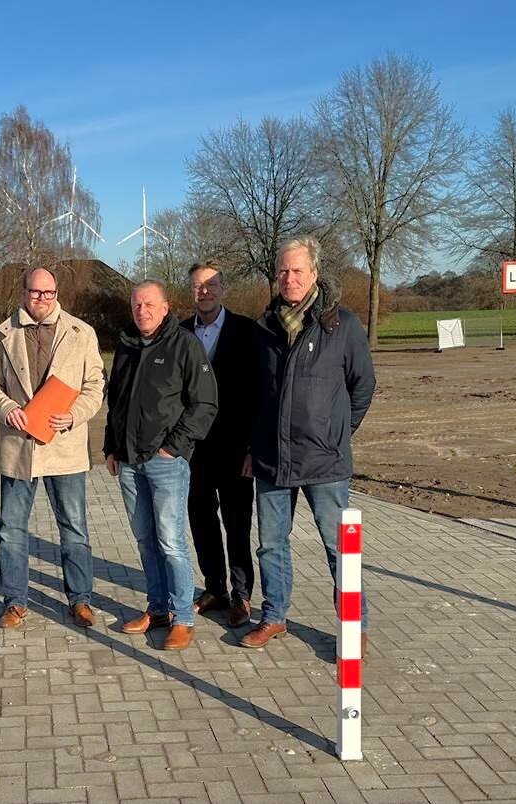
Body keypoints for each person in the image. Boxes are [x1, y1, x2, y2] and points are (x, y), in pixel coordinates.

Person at [241, 235, 376, 650]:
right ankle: (274, 616)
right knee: (270, 545)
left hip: (324, 461)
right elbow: (252, 395)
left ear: (315, 273)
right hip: (272, 459)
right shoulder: (264, 327)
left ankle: (355, 628)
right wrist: (253, 445)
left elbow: (363, 386)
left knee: (339, 547)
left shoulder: (342, 325)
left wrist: (337, 433)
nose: (290, 278)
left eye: (298, 270)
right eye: (283, 271)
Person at [0, 267, 105, 629]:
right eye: (36, 292)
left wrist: (74, 415)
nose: (42, 299)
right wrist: (6, 408)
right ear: (23, 293)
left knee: (74, 529)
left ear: (56, 294)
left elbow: (95, 385)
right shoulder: (2, 333)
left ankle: (80, 600)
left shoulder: (81, 332)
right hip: (19, 447)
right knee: (11, 530)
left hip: (65, 447)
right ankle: (15, 601)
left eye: (49, 293)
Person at [105, 280, 218, 651]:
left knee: (171, 543)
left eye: (150, 304)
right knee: (145, 540)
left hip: (165, 462)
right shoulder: (126, 345)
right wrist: (111, 447)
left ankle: (183, 617)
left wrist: (174, 447)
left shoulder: (184, 345)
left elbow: (205, 403)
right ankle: (157, 610)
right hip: (128, 461)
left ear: (166, 307)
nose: (143, 311)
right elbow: (116, 401)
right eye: (137, 305)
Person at [180, 262, 260, 628]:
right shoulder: (180, 333)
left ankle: (242, 595)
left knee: (237, 524)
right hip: (194, 450)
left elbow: (259, 393)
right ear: (191, 291)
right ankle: (215, 588)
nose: (205, 291)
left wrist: (253, 448)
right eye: (198, 286)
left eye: (211, 285)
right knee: (201, 521)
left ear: (222, 288)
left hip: (235, 449)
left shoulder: (246, 331)